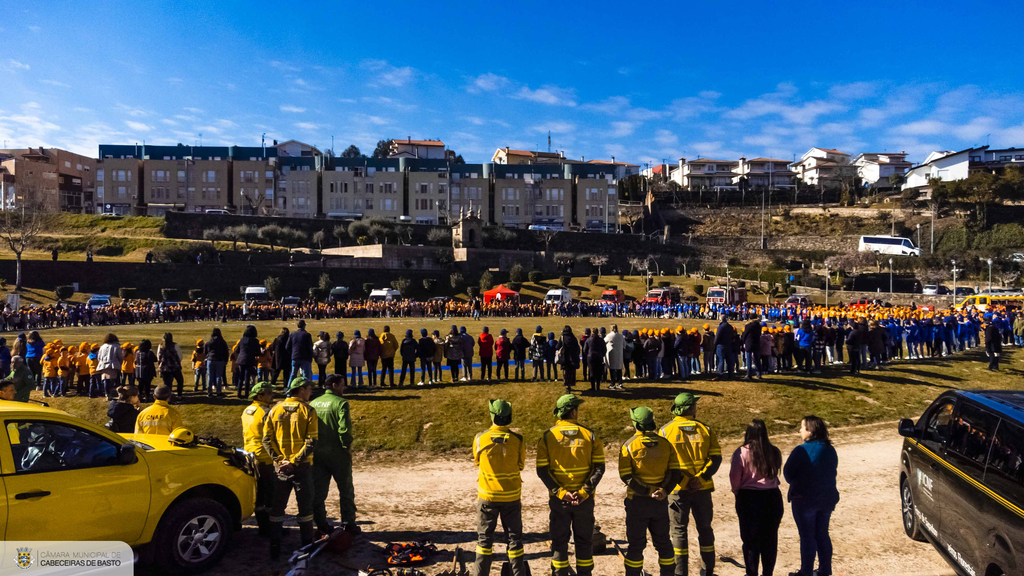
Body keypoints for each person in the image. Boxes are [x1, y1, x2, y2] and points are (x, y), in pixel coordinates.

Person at [537, 394, 604, 576]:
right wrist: (583, 492)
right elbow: (599, 468)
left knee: (559, 541)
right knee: (584, 541)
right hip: (584, 500)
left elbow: (542, 471)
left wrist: (560, 492)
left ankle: (559, 573)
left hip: (560, 501)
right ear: (573, 412)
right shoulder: (590, 435)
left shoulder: (547, 437)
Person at [660, 392, 722, 576]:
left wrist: (685, 480)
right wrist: (700, 479)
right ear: (692, 408)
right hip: (702, 489)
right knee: (705, 529)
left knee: (678, 532)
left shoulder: (666, 431)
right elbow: (716, 458)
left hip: (678, 490)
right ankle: (707, 569)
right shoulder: (706, 429)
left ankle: (680, 572)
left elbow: (665, 463)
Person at [262, 377, 318, 559]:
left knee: (277, 508)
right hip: (301, 467)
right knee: (305, 509)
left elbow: (266, 439)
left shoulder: (274, 410)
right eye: (309, 389)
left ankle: (275, 545)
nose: (310, 392)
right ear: (301, 390)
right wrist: (294, 461)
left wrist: (279, 460)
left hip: (280, 468)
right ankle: (307, 545)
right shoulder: (308, 411)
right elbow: (311, 441)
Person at [620, 406, 680, 576]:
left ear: (636, 424)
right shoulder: (665, 444)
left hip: (637, 503)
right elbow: (675, 472)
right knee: (663, 543)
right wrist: (664, 490)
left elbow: (626, 476)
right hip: (659, 502)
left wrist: (647, 491)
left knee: (636, 545)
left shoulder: (629, 446)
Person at [473, 399, 527, 576]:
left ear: (492, 416)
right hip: (511, 497)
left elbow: (477, 461)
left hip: (487, 496)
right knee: (514, 541)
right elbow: (520, 465)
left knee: (484, 541)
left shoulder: (480, 438)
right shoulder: (518, 440)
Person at [783, 416, 839, 576]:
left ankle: (806, 572)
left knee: (807, 536)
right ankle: (825, 569)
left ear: (810, 430)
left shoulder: (801, 450)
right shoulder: (830, 449)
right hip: (827, 499)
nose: (800, 430)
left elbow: (788, 474)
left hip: (805, 500)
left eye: (802, 427)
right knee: (822, 534)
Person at [730, 420, 784, 576]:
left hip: (749, 498)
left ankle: (751, 573)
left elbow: (735, 477)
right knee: (770, 539)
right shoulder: (774, 451)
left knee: (750, 540)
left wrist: (737, 492)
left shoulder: (742, 452)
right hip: (772, 497)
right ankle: (768, 573)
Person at [310, 375, 358, 535]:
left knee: (318, 492)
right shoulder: (341, 403)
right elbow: (344, 429)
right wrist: (346, 447)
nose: (344, 388)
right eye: (342, 385)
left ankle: (321, 523)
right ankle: (348, 523)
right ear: (335, 385)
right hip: (338, 453)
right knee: (345, 490)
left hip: (317, 453)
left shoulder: (313, 403)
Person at [241, 381, 276, 538]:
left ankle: (263, 526)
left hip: (249, 454)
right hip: (264, 457)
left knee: (259, 493)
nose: (272, 396)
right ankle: (269, 528)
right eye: (269, 393)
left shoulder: (247, 410)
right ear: (260, 395)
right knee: (269, 494)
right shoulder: (266, 412)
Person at [157, 333, 185, 398]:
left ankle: (168, 397)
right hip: (174, 367)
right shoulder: (175, 345)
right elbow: (180, 356)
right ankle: (179, 395)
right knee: (180, 380)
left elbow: (158, 357)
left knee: (167, 384)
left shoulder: (160, 346)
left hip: (164, 368)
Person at [97, 333, 124, 400]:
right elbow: (120, 356)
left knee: (106, 380)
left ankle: (107, 394)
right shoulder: (117, 346)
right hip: (114, 365)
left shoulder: (102, 346)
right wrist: (120, 363)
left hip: (103, 365)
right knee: (116, 380)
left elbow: (99, 357)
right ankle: (118, 393)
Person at [582, 327, 606, 393]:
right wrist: (602, 354)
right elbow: (604, 349)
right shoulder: (601, 340)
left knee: (592, 372)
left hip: (591, 357)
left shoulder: (588, 340)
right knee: (598, 372)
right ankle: (597, 386)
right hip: (599, 357)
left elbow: (585, 350)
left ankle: (593, 387)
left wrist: (588, 355)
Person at [742, 316, 763, 381]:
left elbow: (745, 335)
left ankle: (749, 373)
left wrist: (743, 341)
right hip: (756, 343)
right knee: (757, 359)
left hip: (749, 343)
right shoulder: (758, 326)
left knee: (749, 359)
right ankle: (759, 373)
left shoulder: (748, 326)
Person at [559, 326, 580, 392]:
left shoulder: (562, 338)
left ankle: (566, 384)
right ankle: (570, 384)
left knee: (565, 371)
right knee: (571, 372)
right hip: (572, 358)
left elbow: (558, 346)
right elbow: (577, 348)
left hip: (565, 358)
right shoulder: (573, 338)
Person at [605, 325, 624, 390]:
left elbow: (604, 341)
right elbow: (624, 345)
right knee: (619, 369)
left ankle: (613, 384)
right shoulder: (621, 336)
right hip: (619, 354)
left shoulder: (609, 336)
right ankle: (620, 383)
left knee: (612, 369)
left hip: (612, 354)